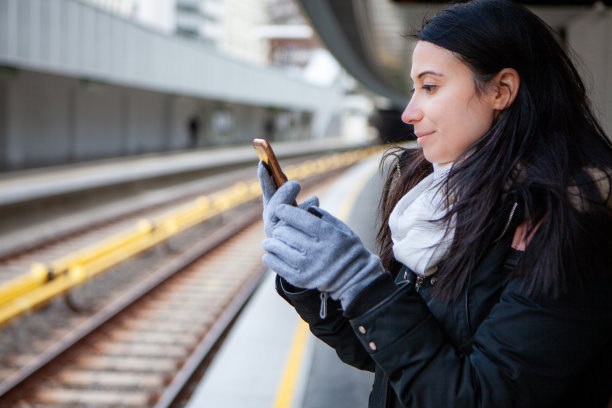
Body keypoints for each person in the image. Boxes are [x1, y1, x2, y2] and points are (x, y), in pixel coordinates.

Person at [257, 1, 612, 407]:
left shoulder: (568, 224)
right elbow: (394, 358)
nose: (409, 112)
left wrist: (360, 282)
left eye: (430, 86)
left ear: (501, 90)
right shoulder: (446, 201)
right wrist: (310, 277)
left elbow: (478, 396)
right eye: (413, 88)